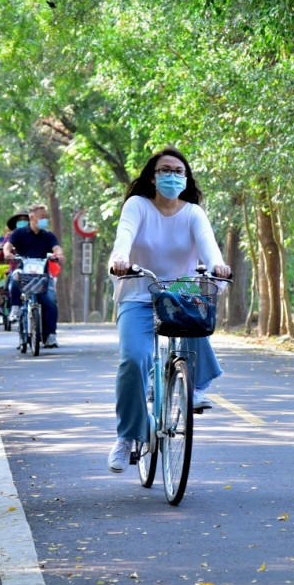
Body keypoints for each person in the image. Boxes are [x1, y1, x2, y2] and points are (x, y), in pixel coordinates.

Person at [107, 148, 231, 474]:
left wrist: (217, 265)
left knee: (194, 318)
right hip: (137, 293)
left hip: (179, 294)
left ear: (186, 177)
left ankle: (193, 389)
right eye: (165, 169)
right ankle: (127, 436)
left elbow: (208, 245)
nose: (172, 175)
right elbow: (125, 236)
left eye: (179, 170)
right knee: (133, 359)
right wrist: (119, 259)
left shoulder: (193, 213)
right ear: (153, 175)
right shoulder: (138, 206)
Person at [4, 205, 66, 347]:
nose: (45, 220)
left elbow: (56, 247)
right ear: (32, 217)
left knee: (50, 299)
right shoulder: (19, 233)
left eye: (46, 217)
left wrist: (60, 255)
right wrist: (8, 253)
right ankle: (15, 308)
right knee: (15, 278)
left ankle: (50, 335)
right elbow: (8, 245)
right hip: (23, 271)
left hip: (42, 275)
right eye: (42, 217)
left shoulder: (48, 235)